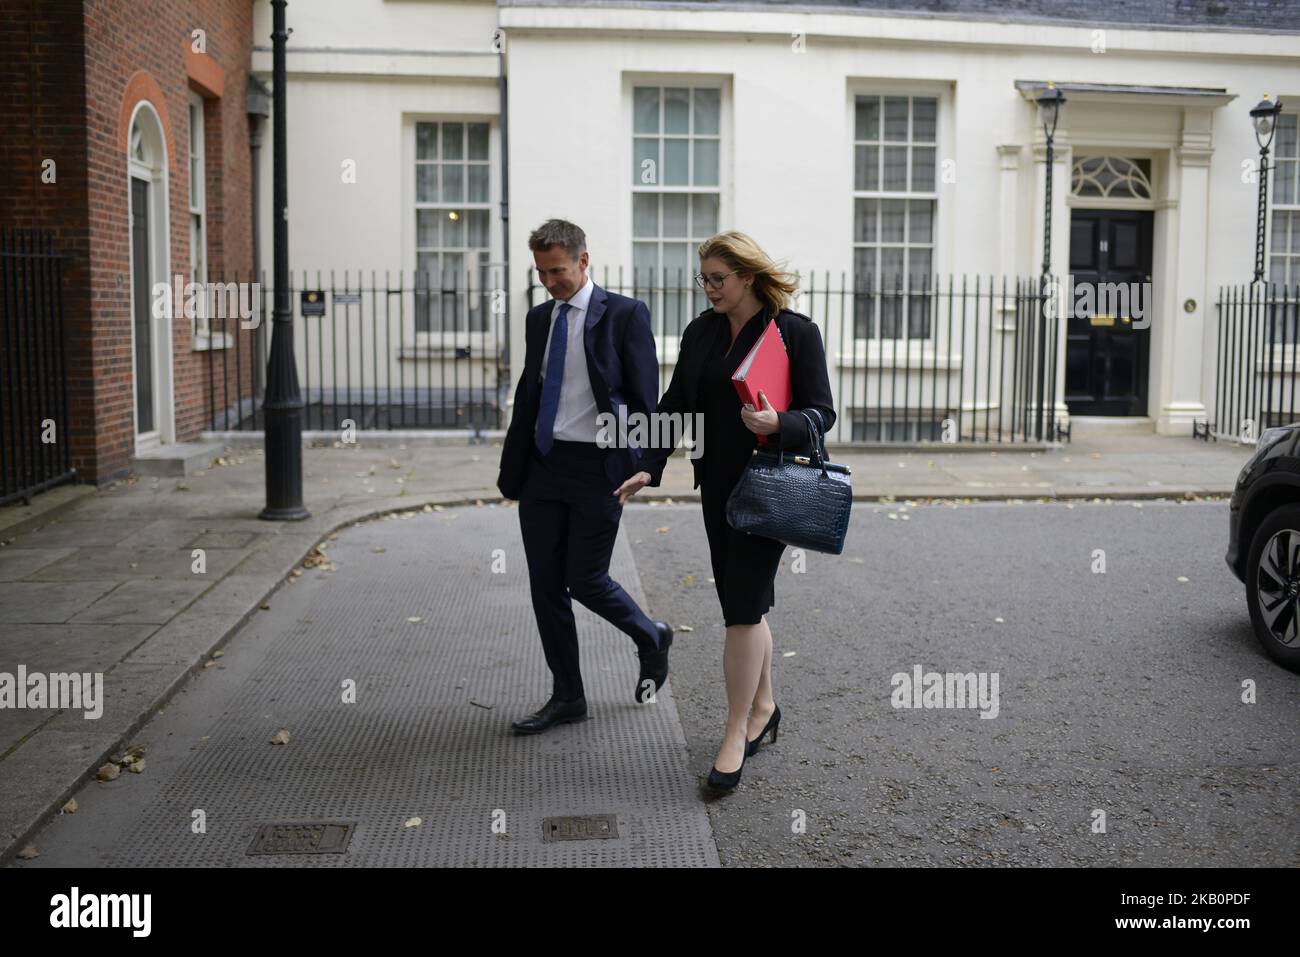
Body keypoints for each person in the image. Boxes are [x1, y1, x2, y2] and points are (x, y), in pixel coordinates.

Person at [614, 231, 836, 793]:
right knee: (746, 603)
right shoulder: (702, 332)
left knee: (740, 607)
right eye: (704, 279)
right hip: (718, 486)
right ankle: (764, 707)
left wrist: (778, 425)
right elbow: (675, 403)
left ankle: (735, 732)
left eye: (718, 278)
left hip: (770, 486)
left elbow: (822, 413)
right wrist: (651, 463)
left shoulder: (794, 332)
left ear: (748, 277)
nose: (709, 288)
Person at [497, 219, 673, 734]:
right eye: (542, 273)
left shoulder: (624, 314)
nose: (551, 282)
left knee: (586, 580)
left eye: (558, 271)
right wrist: (516, 464)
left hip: (599, 468)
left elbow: (644, 397)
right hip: (544, 466)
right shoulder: (538, 319)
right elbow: (533, 392)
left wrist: (645, 463)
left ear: (583, 260)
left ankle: (651, 635)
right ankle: (568, 696)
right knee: (546, 585)